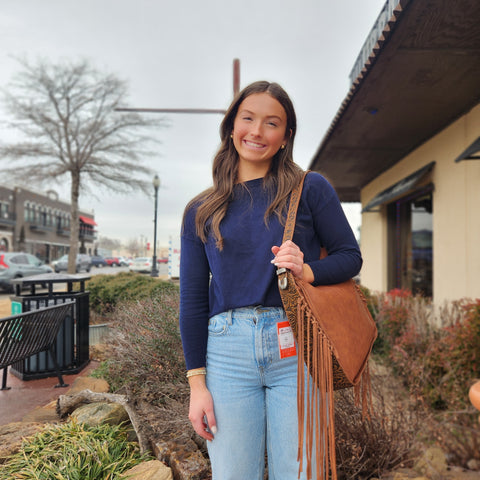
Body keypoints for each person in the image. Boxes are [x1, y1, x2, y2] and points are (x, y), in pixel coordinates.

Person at [179, 80, 362, 480]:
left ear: (285, 137)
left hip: (296, 349)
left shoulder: (309, 188)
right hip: (226, 355)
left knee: (302, 474)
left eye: (271, 123)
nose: (257, 132)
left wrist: (307, 269)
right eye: (248, 118)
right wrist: (197, 386)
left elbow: (351, 257)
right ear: (231, 126)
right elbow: (192, 302)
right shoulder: (200, 209)